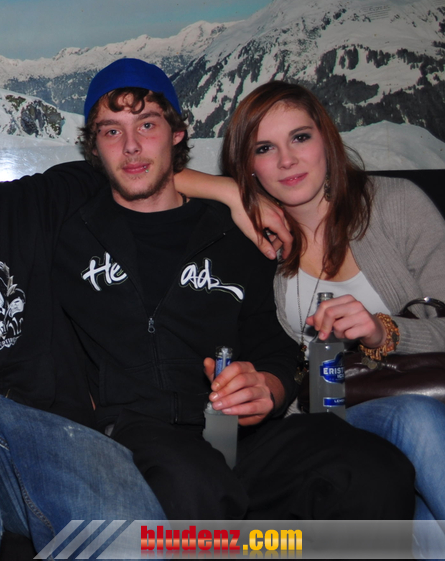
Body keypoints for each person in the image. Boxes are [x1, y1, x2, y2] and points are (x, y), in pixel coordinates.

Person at [0, 85, 303, 561]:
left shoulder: (21, 209)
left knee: (140, 543)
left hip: (51, 441)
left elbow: (130, 167)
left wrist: (232, 192)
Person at [51, 59, 416, 520]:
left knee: (375, 470)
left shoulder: (237, 233)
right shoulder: (67, 234)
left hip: (243, 438)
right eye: (111, 131)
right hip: (136, 440)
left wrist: (268, 388)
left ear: (176, 133)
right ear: (94, 146)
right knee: (193, 485)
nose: (131, 146)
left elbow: (275, 345)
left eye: (147, 124)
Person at [222, 80, 445, 521]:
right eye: (264, 148)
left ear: (326, 138)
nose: (287, 160)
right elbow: (151, 174)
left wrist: (384, 331)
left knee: (414, 431)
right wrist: (227, 191)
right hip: (321, 430)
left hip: (421, 408)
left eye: (300, 137)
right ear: (247, 166)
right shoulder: (252, 241)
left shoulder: (396, 205)